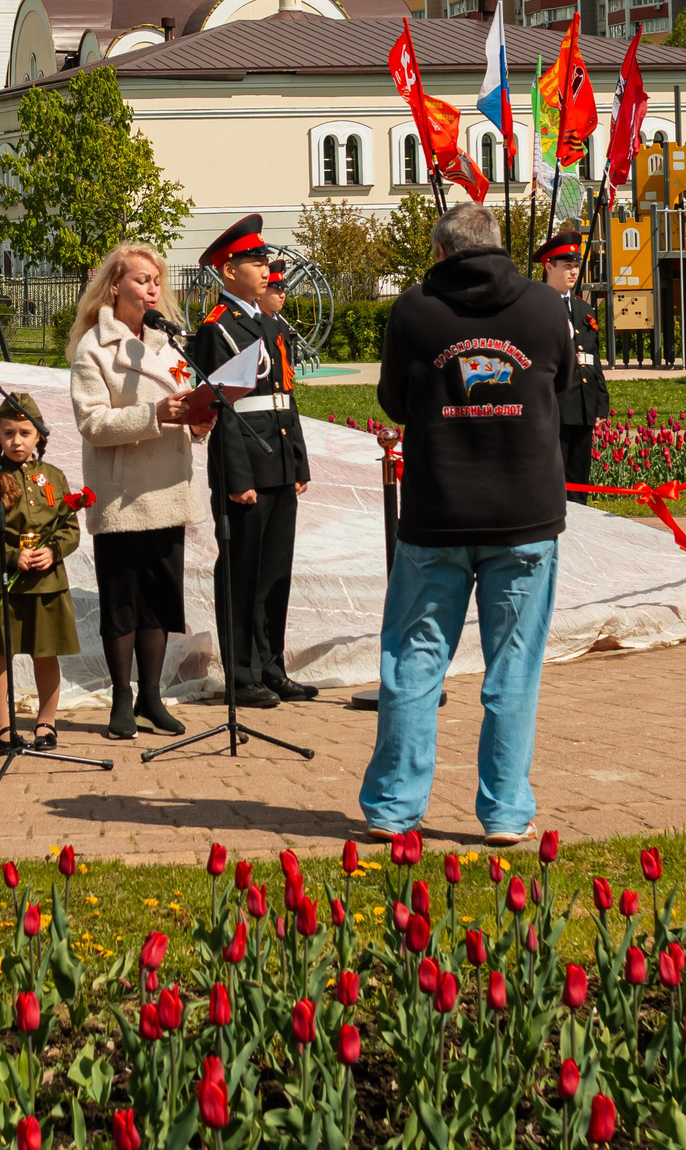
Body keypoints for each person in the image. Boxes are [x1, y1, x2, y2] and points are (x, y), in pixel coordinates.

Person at [360, 202, 571, 846]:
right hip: (525, 511)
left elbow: (394, 400)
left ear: (442, 251)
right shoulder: (543, 306)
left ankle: (396, 808)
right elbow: (557, 388)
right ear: (497, 246)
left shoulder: (415, 310)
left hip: (438, 512)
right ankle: (506, 812)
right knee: (513, 666)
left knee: (414, 664)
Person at [68, 240, 210, 740]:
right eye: (140, 280)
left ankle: (152, 696)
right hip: (124, 493)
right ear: (114, 286)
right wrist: (156, 415)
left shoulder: (166, 343)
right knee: (122, 602)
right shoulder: (94, 346)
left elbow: (184, 401)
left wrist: (199, 419)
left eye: (156, 281)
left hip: (168, 487)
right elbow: (92, 423)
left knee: (160, 600)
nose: (152, 289)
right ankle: (121, 700)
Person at [191, 214, 314, 706]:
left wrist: (298, 462)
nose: (265, 269)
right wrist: (235, 477)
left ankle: (271, 664)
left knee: (275, 571)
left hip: (279, 459)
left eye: (265, 261)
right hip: (248, 465)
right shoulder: (218, 328)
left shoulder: (266, 322)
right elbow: (220, 407)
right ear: (228, 270)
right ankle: (242, 674)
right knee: (242, 571)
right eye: (253, 261)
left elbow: (285, 393)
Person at [0, 393, 82, 752]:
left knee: (46, 653)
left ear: (39, 437)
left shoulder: (54, 478)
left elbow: (70, 528)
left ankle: (46, 724)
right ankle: (0, 729)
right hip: (4, 582)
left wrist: (54, 551)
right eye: (8, 433)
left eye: (25, 433)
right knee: (1, 654)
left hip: (48, 582)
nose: (17, 441)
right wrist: (11, 556)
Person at [532, 232, 609, 496]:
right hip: (555, 403)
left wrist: (600, 402)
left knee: (579, 479)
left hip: (583, 405)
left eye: (576, 266)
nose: (573, 271)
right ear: (549, 266)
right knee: (555, 479)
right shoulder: (536, 306)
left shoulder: (583, 309)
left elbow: (592, 357)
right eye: (567, 266)